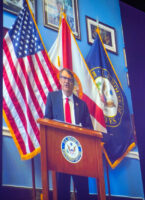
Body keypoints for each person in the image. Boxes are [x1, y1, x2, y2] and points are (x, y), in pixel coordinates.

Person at [44, 68, 93, 200]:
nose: (67, 81)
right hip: (60, 152)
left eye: (70, 80)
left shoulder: (82, 105)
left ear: (73, 84)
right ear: (60, 80)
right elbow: (46, 122)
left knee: (83, 191)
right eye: (64, 78)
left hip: (79, 154)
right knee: (62, 191)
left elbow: (89, 128)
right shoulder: (52, 98)